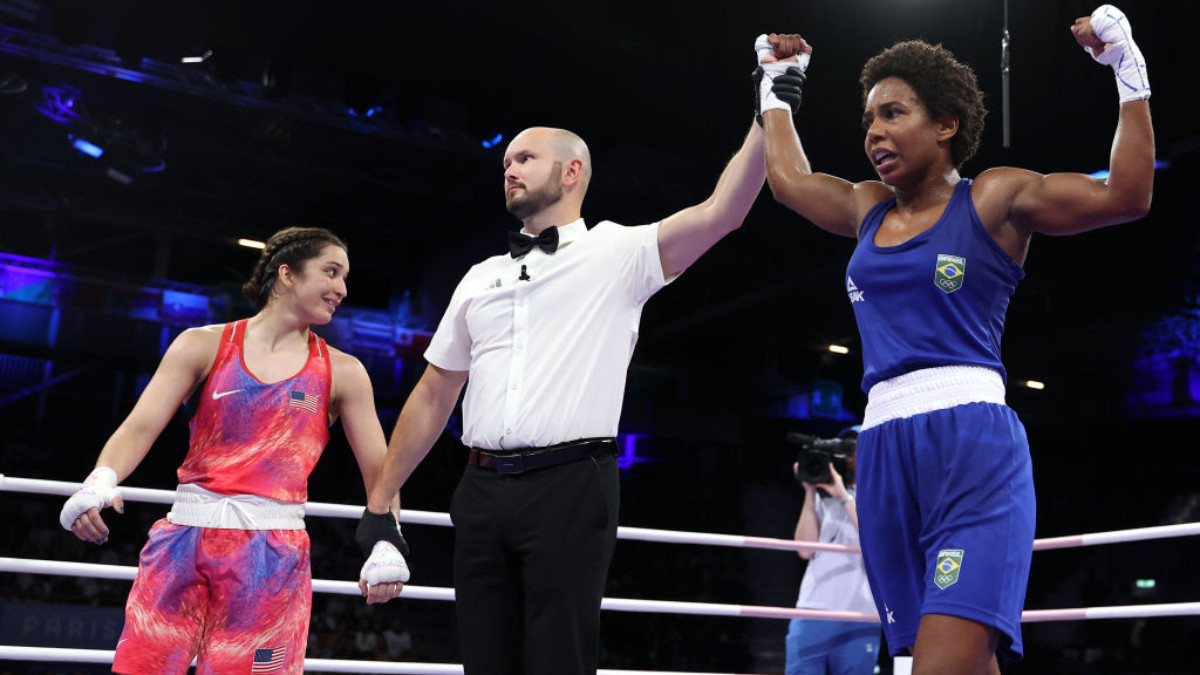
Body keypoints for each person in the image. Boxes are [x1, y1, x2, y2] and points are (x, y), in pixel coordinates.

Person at [759, 6, 1153, 674]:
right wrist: (777, 87)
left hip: (969, 446)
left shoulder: (992, 200)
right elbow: (788, 181)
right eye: (868, 120)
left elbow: (1127, 193)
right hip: (881, 450)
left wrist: (1126, 69)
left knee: (940, 665)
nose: (874, 132)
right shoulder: (865, 210)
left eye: (893, 113)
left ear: (945, 124)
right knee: (936, 662)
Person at [352, 73, 793, 670]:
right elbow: (434, 394)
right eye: (506, 160)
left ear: (571, 172)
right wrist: (381, 505)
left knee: (559, 656)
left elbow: (723, 213)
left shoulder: (618, 252)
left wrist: (772, 104)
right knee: (483, 658)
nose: (509, 168)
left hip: (571, 482)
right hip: (479, 487)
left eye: (526, 157)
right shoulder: (480, 275)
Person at [58, 226, 399, 674]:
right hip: (184, 541)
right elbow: (141, 426)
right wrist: (101, 480)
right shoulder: (201, 344)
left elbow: (382, 472)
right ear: (287, 275)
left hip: (271, 557)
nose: (341, 289)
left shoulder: (344, 372)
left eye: (345, 277)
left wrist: (387, 540)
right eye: (331, 272)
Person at [787, 426, 880, 675]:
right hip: (813, 609)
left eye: (856, 447)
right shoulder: (825, 497)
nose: (852, 455)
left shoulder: (886, 496)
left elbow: (874, 541)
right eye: (847, 449)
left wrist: (843, 497)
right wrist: (810, 492)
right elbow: (804, 551)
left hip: (862, 613)